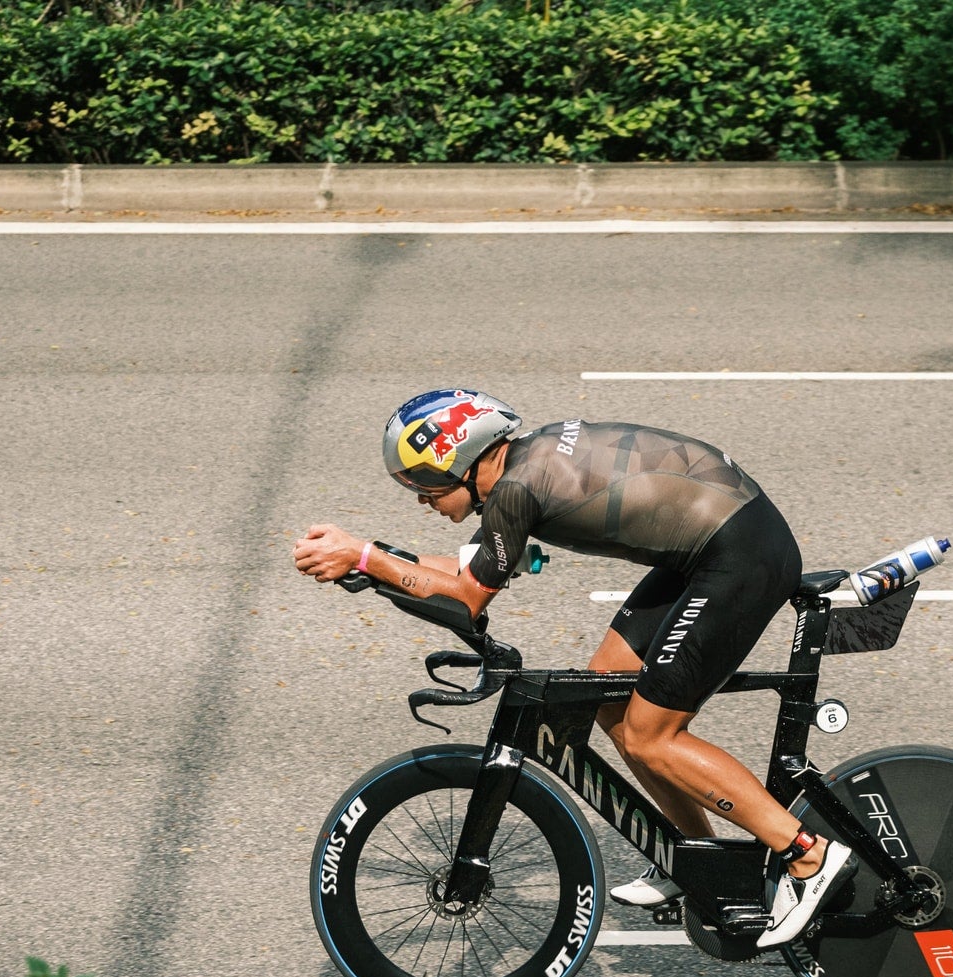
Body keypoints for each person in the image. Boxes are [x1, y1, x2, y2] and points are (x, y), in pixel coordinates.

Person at [293, 388, 854, 948]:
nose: (420, 499)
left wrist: (365, 558)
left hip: (737, 558)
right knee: (609, 698)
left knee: (650, 735)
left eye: (424, 485)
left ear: (459, 460)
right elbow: (471, 566)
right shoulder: (522, 466)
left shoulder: (516, 488)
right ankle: (694, 855)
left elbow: (465, 598)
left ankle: (807, 855)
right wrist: (373, 560)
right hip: (710, 547)